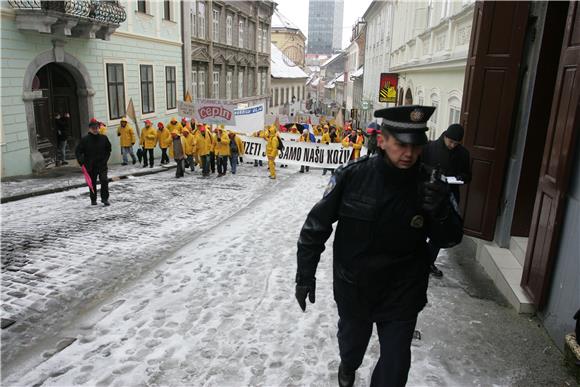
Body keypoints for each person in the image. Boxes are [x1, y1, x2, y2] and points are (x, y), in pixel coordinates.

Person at [295, 105, 464, 387]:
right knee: (352, 347)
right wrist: (304, 276)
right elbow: (315, 228)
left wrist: (442, 211)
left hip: (402, 289)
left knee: (396, 365)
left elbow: (450, 239)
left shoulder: (432, 184)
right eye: (400, 144)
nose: (409, 153)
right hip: (355, 286)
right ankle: (348, 367)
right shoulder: (351, 176)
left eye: (416, 145)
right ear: (383, 141)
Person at [421, 123, 471, 278]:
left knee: (439, 231)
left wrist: (460, 178)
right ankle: (416, 260)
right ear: (445, 136)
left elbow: (467, 175)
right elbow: (420, 168)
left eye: (456, 143)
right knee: (421, 227)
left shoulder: (463, 154)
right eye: (450, 141)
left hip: (448, 197)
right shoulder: (430, 148)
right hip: (428, 194)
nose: (452, 145)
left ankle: (428, 262)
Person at [75, 118, 112, 206]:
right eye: (93, 128)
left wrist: (105, 159)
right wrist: (82, 162)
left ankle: (105, 198)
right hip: (90, 165)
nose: (95, 129)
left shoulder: (104, 138)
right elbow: (78, 151)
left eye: (96, 127)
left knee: (104, 181)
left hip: (102, 165)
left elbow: (108, 149)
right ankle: (93, 199)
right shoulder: (85, 140)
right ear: (90, 128)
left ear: (98, 128)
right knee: (92, 183)